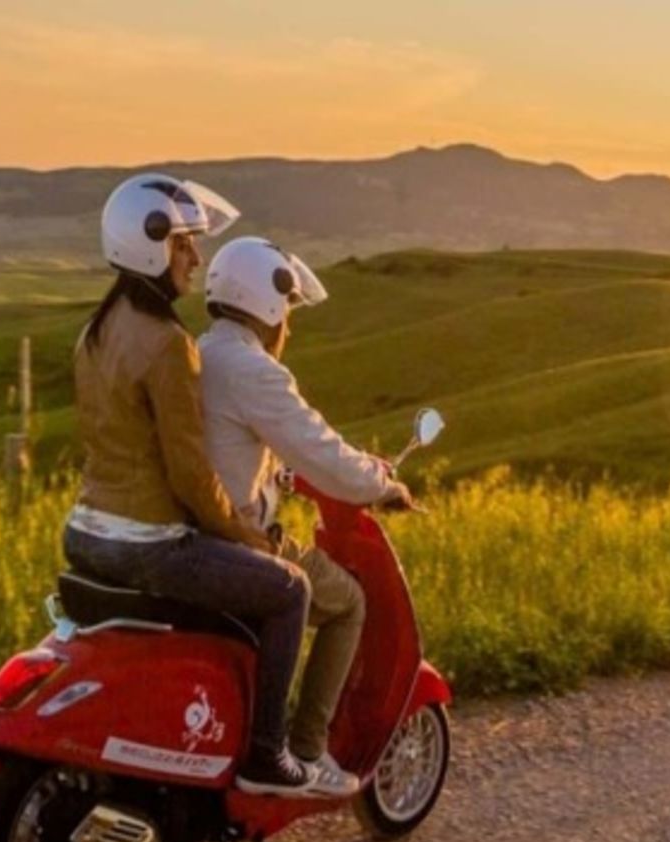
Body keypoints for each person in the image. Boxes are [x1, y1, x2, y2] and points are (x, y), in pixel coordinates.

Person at [61, 175, 316, 797]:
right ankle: (265, 753)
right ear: (151, 248)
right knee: (290, 591)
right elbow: (191, 477)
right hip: (149, 544)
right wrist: (252, 536)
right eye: (183, 246)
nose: (195, 260)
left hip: (84, 534)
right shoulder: (170, 346)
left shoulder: (93, 334)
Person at [197, 237, 413, 798]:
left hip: (196, 533)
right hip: (242, 541)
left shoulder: (199, 355)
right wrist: (383, 484)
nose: (289, 324)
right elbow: (321, 448)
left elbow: (231, 447)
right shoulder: (256, 370)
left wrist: (281, 478)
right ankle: (308, 752)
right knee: (347, 602)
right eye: (289, 310)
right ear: (269, 308)